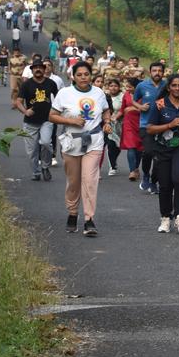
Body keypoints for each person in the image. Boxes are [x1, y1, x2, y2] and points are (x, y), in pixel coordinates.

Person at [49, 61, 111, 237]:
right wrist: (71, 121)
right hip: (72, 141)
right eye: (79, 75)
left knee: (90, 180)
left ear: (91, 75)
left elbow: (106, 111)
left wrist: (107, 122)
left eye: (86, 74)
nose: (83, 77)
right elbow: (52, 116)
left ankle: (89, 219)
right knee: (74, 181)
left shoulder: (98, 93)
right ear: (73, 76)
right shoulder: (65, 93)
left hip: (94, 140)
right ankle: (72, 212)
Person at [147, 74, 179, 235]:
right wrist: (169, 125)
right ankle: (165, 217)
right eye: (174, 85)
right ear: (168, 87)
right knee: (165, 184)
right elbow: (150, 128)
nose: (177, 88)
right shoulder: (159, 105)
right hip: (162, 149)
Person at [14, 60, 58, 181]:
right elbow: (18, 101)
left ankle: (45, 166)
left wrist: (58, 112)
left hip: (47, 119)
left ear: (45, 70)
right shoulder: (26, 84)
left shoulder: (51, 83)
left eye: (40, 67)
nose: (38, 69)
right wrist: (25, 111)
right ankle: (36, 172)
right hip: (30, 122)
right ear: (32, 70)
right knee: (32, 151)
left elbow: (59, 98)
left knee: (45, 143)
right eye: (35, 68)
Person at [134, 62, 167, 194]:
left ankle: (154, 182)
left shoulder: (167, 85)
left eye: (160, 70)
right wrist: (140, 107)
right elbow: (134, 99)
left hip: (163, 125)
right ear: (150, 72)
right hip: (146, 125)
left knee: (160, 156)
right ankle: (146, 175)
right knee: (148, 152)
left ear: (163, 73)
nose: (157, 73)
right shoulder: (142, 85)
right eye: (154, 70)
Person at [120, 78, 144, 182]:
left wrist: (134, 108)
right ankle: (132, 171)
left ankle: (136, 168)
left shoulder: (144, 95)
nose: (128, 89)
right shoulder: (126, 95)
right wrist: (112, 119)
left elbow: (148, 108)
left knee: (139, 148)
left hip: (141, 123)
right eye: (127, 86)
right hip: (128, 123)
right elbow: (122, 109)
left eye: (130, 87)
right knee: (131, 147)